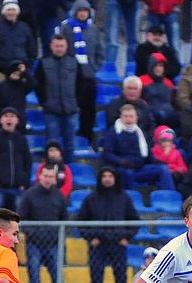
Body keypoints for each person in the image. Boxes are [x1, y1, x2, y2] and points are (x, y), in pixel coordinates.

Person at [77, 166, 140, 283]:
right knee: (96, 281)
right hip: (98, 246)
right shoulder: (91, 198)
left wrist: (126, 237)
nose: (107, 178)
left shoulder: (124, 197)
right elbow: (80, 222)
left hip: (118, 245)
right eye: (104, 175)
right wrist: (91, 238)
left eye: (110, 175)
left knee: (121, 281)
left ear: (115, 178)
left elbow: (134, 221)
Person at [17, 164, 69, 283]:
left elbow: (64, 219)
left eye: (50, 177)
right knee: (35, 280)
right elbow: (21, 219)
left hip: (53, 244)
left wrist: (57, 236)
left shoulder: (59, 196)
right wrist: (33, 234)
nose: (47, 179)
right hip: (34, 244)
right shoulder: (29, 195)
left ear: (54, 178)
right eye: (45, 176)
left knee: (57, 279)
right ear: (39, 176)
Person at [58, 0, 105, 142]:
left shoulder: (93, 30)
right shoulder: (66, 28)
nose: (83, 13)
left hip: (88, 75)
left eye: (85, 11)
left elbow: (100, 52)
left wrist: (94, 67)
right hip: (71, 76)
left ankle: (87, 138)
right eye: (80, 11)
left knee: (88, 111)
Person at [102, 103, 176, 190]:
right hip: (122, 169)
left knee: (163, 168)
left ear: (136, 117)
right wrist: (121, 161)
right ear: (121, 117)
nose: (129, 119)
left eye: (131, 116)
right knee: (127, 173)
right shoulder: (113, 133)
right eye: (126, 116)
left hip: (141, 168)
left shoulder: (140, 131)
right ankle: (131, 200)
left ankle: (168, 198)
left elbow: (148, 153)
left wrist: (155, 160)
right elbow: (107, 154)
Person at [35, 34, 80, 165]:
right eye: (56, 46)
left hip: (70, 109)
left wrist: (76, 102)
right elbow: (38, 85)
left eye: (61, 46)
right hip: (51, 110)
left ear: (66, 46)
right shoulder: (43, 63)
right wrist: (44, 102)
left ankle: (68, 174)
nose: (59, 48)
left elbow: (81, 84)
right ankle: (51, 173)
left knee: (70, 145)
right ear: (51, 46)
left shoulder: (74, 62)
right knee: (51, 144)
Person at [0, 107, 32, 211]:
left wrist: (24, 183)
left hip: (18, 188)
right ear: (1, 120)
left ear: (17, 120)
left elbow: (28, 162)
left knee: (18, 219)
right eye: (6, 116)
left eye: (12, 116)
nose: (9, 119)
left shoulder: (22, 140)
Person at [0, 0, 37, 91]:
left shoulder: (25, 28)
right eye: (8, 10)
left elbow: (32, 51)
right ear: (4, 12)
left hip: (19, 74)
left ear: (17, 12)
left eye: (13, 10)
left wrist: (27, 69)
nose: (11, 12)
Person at [0, 61, 34, 133]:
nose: (16, 76)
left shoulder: (22, 86)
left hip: (20, 121)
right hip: (3, 122)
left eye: (19, 75)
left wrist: (25, 73)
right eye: (14, 74)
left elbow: (33, 85)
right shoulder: (1, 87)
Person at [105, 76, 157, 141]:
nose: (132, 91)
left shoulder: (143, 105)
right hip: (119, 140)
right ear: (123, 90)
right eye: (129, 88)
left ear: (140, 91)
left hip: (142, 139)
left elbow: (151, 124)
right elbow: (111, 124)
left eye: (135, 89)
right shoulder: (114, 104)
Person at [139, 52, 178, 129]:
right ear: (151, 66)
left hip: (169, 113)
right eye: (155, 65)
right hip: (151, 115)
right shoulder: (142, 80)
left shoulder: (168, 83)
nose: (158, 68)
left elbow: (173, 101)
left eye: (160, 66)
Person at [105, 0, 139, 65]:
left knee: (134, 40)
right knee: (112, 40)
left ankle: (131, 70)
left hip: (134, 3)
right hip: (115, 2)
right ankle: (109, 70)